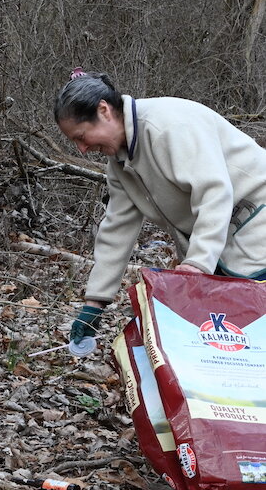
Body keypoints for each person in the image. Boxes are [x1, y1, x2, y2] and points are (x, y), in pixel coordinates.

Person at [54, 69, 266, 343]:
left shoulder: (168, 125)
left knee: (250, 328)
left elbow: (213, 192)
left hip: (256, 222)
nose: (81, 149)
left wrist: (198, 264)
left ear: (104, 111)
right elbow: (117, 227)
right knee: (224, 336)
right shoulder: (119, 162)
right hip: (221, 237)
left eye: (81, 136)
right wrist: (95, 303)